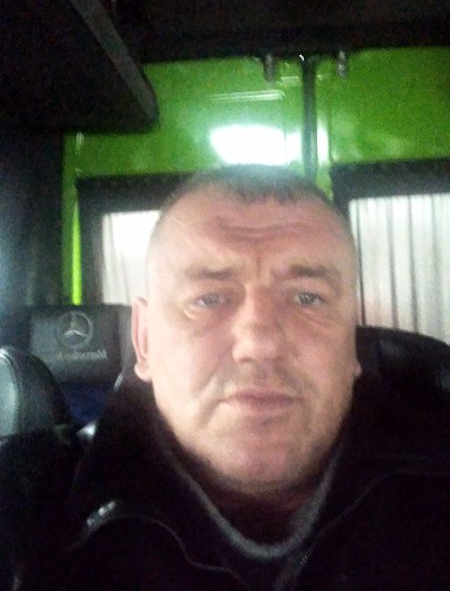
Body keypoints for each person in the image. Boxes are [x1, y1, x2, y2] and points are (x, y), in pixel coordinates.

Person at [1, 165, 449, 591]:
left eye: (308, 298)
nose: (260, 343)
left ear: (351, 342)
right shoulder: (21, 515)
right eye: (209, 299)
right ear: (145, 339)